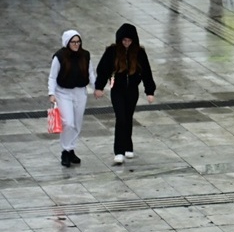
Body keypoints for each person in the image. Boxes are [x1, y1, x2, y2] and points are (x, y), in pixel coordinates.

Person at [94, 23, 156, 165]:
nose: (126, 43)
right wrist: (99, 87)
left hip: (132, 90)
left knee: (128, 117)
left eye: (129, 40)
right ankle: (119, 151)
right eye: (124, 40)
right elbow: (103, 70)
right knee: (120, 118)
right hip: (117, 90)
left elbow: (147, 72)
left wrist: (149, 91)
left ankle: (128, 145)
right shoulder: (112, 52)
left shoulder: (139, 53)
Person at [48, 29, 96, 168]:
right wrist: (52, 93)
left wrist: (96, 88)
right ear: (67, 43)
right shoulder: (59, 57)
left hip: (80, 92)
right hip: (63, 93)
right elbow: (53, 76)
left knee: (77, 123)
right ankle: (65, 150)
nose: (76, 44)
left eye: (78, 42)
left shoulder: (85, 55)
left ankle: (71, 149)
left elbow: (90, 73)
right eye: (73, 42)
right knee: (68, 122)